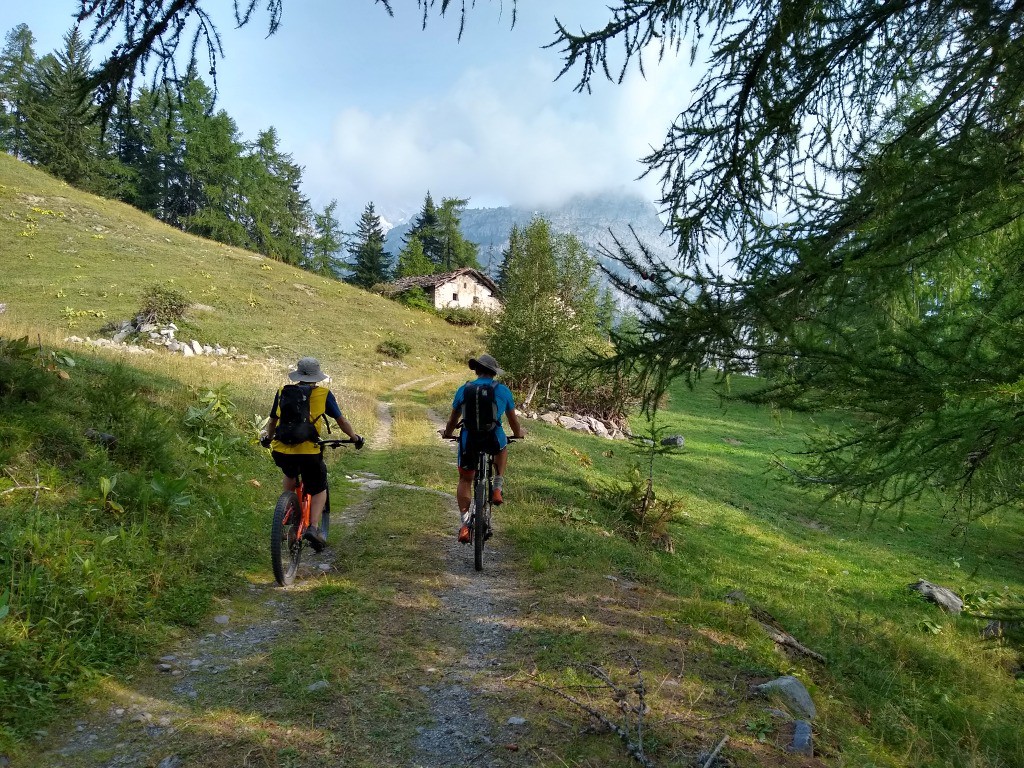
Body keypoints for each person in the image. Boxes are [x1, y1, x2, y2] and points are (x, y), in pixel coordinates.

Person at [260, 357, 363, 550]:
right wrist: (354, 437)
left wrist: (269, 437)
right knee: (319, 486)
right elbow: (341, 421)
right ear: (317, 376)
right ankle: (313, 528)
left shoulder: (283, 391)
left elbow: (273, 420)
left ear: (298, 374)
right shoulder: (324, 394)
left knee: (290, 473)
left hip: (282, 450)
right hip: (309, 452)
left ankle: (288, 508)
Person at [440, 353, 525, 543]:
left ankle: (464, 524)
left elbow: (453, 418)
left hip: (469, 440)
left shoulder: (464, 389)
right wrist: (519, 434)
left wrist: (447, 432)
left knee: (465, 478)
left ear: (477, 370)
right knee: (503, 448)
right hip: (493, 439)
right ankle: (497, 487)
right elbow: (513, 421)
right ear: (494, 373)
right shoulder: (502, 390)